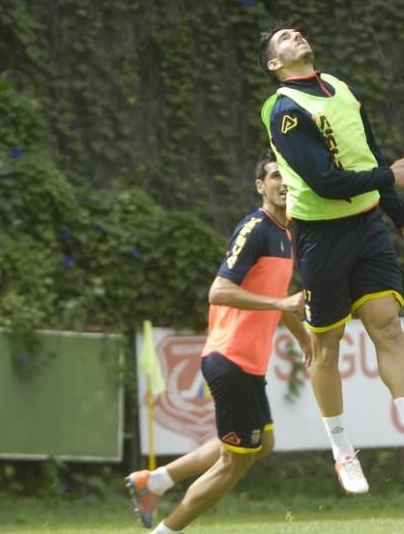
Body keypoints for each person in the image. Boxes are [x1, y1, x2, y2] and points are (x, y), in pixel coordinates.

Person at [258, 26, 404, 496]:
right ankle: (343, 451)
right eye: (284, 38)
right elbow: (326, 181)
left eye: (297, 32)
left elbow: (369, 156)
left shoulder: (340, 88)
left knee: (388, 327)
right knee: (326, 348)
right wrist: (390, 176)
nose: (296, 35)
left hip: (367, 225)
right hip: (320, 237)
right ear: (274, 64)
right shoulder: (283, 109)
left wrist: (401, 217)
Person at [125, 150, 311, 533]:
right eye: (274, 176)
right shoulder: (255, 229)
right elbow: (219, 291)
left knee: (262, 444)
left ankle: (155, 481)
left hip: (248, 365)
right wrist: (281, 304)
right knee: (234, 463)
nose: (281, 182)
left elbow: (285, 298)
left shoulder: (287, 234)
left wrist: (306, 343)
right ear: (260, 186)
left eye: (286, 175)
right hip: (230, 359)